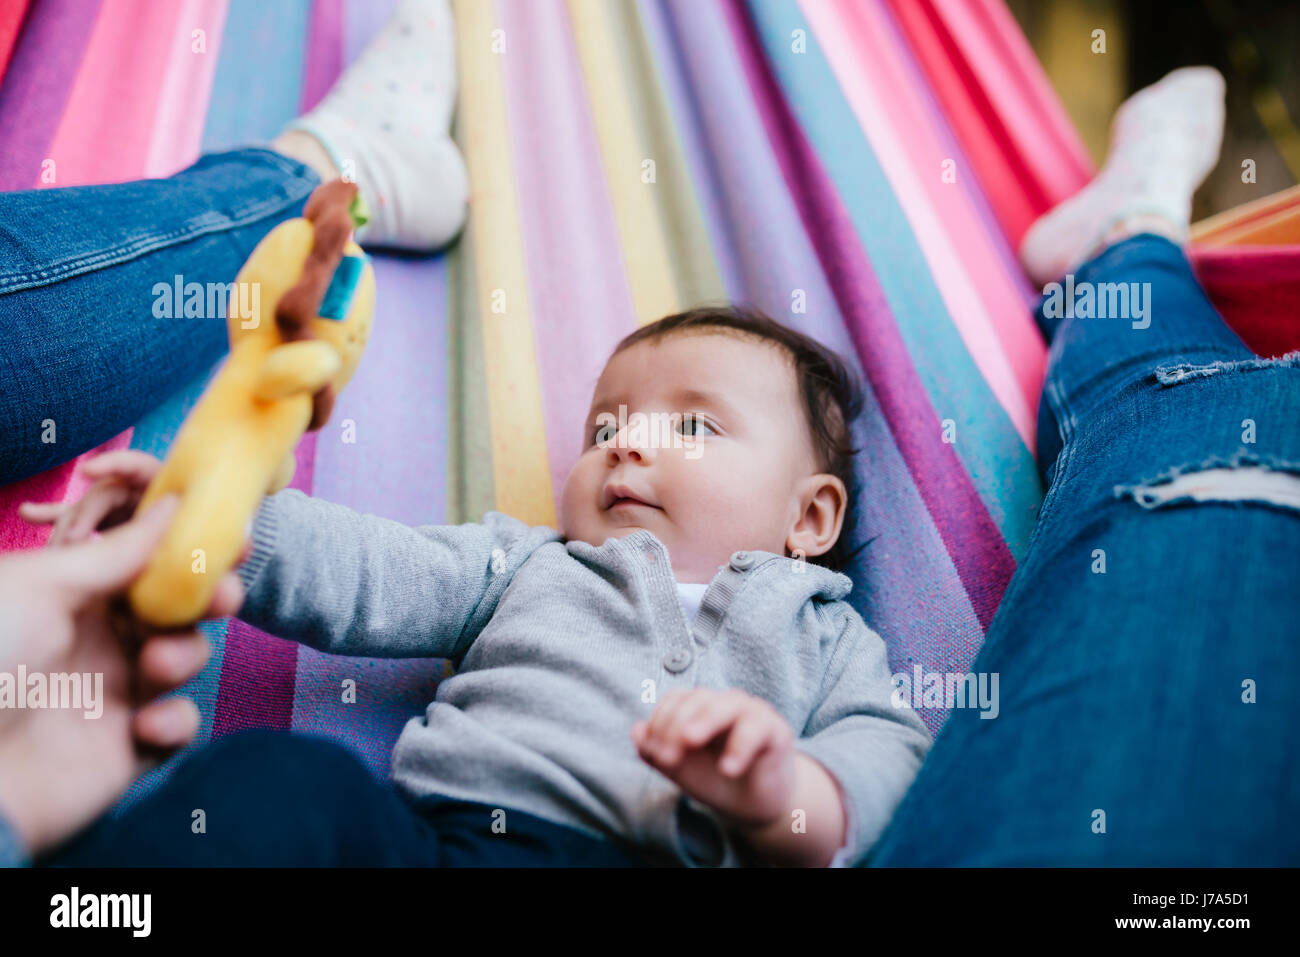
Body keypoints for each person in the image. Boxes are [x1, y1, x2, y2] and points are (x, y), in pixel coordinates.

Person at [2, 8, 1294, 862]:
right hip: (440, 841)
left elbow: (886, 777)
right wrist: (200, 506)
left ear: (811, 518)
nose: (626, 445)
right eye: (609, 421)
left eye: (689, 422)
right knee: (277, 790)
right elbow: (360, 570)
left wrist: (778, 791)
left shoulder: (829, 643)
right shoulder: (526, 566)